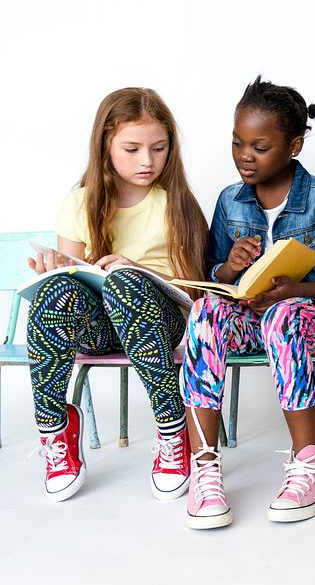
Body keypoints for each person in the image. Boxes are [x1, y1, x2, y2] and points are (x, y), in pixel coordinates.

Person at [182, 76, 315, 529]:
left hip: (313, 317)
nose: (246, 155)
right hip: (250, 315)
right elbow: (211, 280)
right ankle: (204, 466)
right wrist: (229, 269)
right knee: (205, 313)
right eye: (238, 143)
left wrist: (297, 290)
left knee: (282, 315)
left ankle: (309, 462)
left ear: (294, 146)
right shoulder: (229, 201)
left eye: (260, 147)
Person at [26, 87, 207, 502]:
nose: (147, 161)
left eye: (159, 149)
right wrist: (54, 272)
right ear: (105, 145)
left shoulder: (174, 203)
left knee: (126, 283)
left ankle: (171, 426)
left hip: (161, 326)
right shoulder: (79, 202)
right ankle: (55, 430)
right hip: (101, 330)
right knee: (56, 290)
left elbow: (193, 293)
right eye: (132, 149)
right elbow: (75, 276)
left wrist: (136, 268)